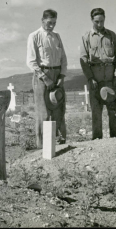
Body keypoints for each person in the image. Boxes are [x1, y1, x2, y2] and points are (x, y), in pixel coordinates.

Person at [27, 9, 68, 148]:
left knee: (59, 109)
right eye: (49, 23)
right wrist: (45, 78)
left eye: (54, 23)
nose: (52, 26)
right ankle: (43, 147)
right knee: (43, 113)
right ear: (42, 20)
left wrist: (62, 76)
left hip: (57, 75)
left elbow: (63, 58)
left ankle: (59, 142)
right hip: (42, 76)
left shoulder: (56, 36)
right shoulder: (34, 36)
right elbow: (31, 62)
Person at [80, 8, 116, 139]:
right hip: (95, 81)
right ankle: (97, 141)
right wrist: (90, 78)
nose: (100, 24)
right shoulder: (86, 37)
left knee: (114, 112)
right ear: (92, 20)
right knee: (96, 113)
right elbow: (83, 60)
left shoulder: (111, 35)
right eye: (97, 22)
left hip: (111, 79)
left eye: (102, 21)